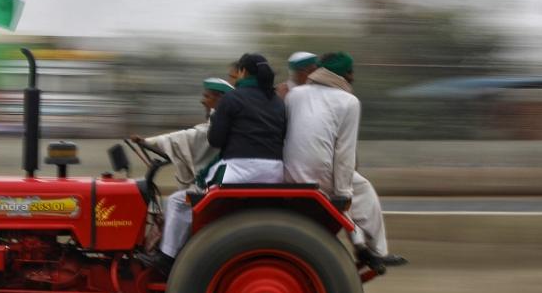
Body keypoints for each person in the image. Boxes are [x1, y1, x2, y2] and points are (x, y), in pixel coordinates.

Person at [283, 52, 408, 272]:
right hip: (319, 170)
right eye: (351, 72)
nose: (353, 77)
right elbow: (344, 153)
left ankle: (360, 246)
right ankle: (377, 252)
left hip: (288, 169)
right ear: (342, 74)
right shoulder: (349, 102)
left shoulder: (295, 95)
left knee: (343, 192)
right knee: (361, 192)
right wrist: (344, 193)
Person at [134, 77, 234, 275]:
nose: (202, 100)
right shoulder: (224, 120)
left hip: (217, 184)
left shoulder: (219, 122)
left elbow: (191, 137)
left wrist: (150, 142)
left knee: (177, 201)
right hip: (221, 178)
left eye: (206, 96)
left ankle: (167, 257)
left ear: (219, 98)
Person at [205, 53, 287, 186]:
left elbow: (215, 140)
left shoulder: (231, 97)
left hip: (239, 170)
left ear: (243, 71)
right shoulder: (278, 101)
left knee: (183, 197)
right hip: (274, 171)